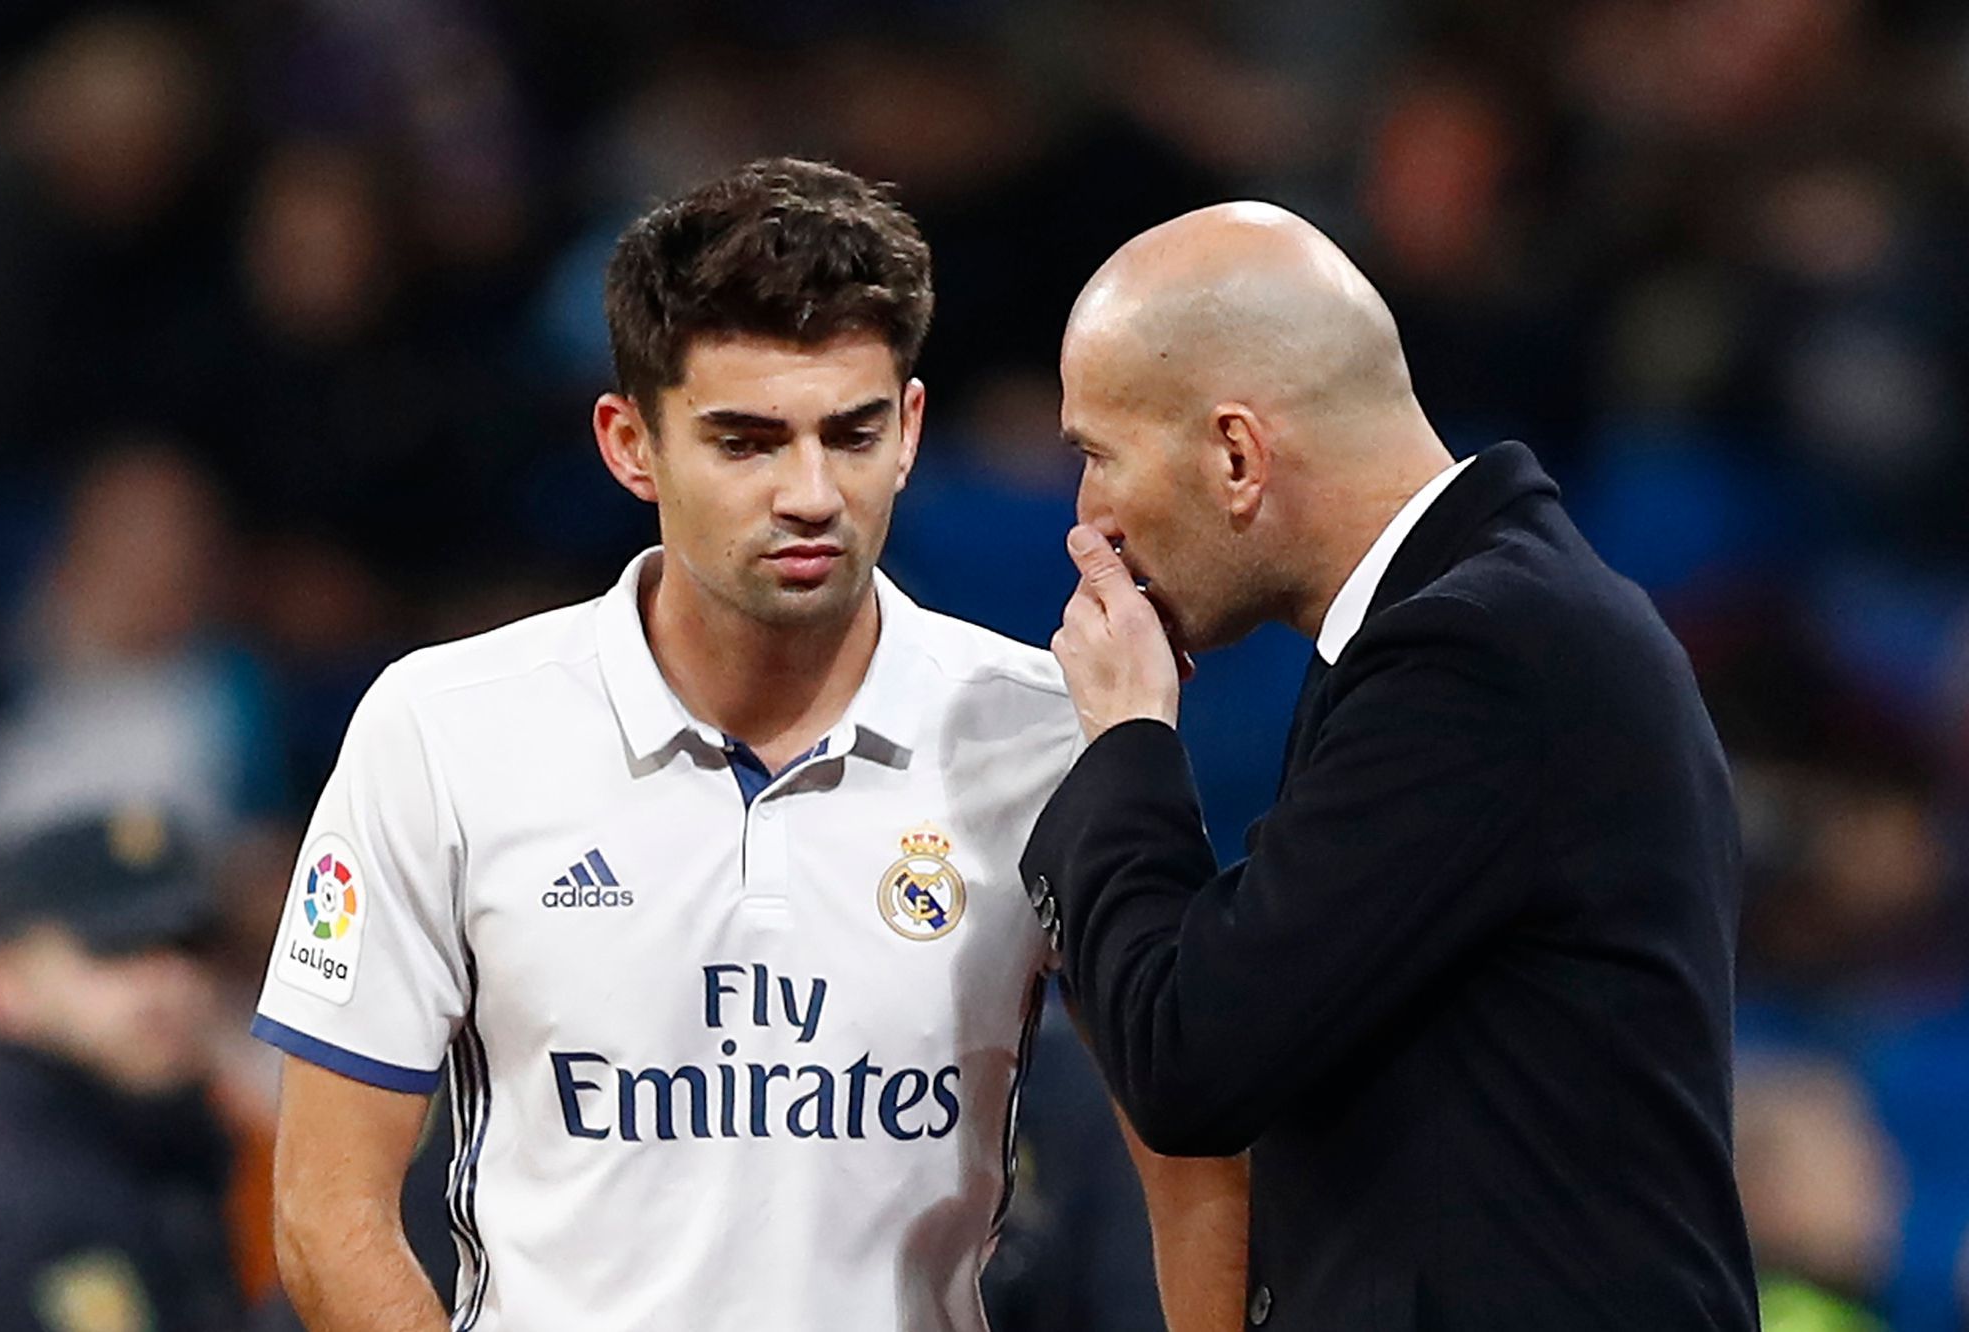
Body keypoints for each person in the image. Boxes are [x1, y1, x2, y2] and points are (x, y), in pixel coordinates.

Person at [253, 158, 1239, 1332]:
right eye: (747, 441)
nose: (812, 492)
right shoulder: (445, 728)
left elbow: (1192, 1160)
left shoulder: (1048, 736)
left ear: (911, 428)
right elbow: (325, 1211)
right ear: (629, 443)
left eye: (853, 432)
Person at [1019, 201, 1760, 1329]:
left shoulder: (1480, 654)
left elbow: (1188, 1058)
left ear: (1234, 455)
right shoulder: (1487, 623)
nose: (1088, 518)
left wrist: (1125, 742)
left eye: (1096, 457)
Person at [0, 807, 241, 1332]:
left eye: (188, 943)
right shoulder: (19, 1202)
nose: (168, 980)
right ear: (1, 982)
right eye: (116, 947)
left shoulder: (176, 1140)